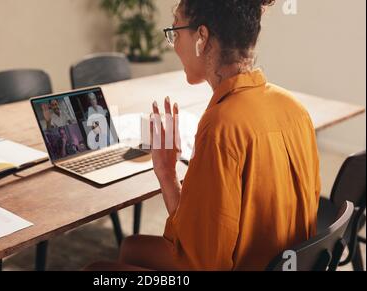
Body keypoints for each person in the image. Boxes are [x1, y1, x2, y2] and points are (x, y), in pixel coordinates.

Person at [87, 0, 320, 271]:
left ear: (202, 37)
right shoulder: (294, 109)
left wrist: (168, 178)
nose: (173, 45)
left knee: (95, 271)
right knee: (131, 248)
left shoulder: (221, 126)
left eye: (175, 31)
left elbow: (201, 263)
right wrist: (167, 172)